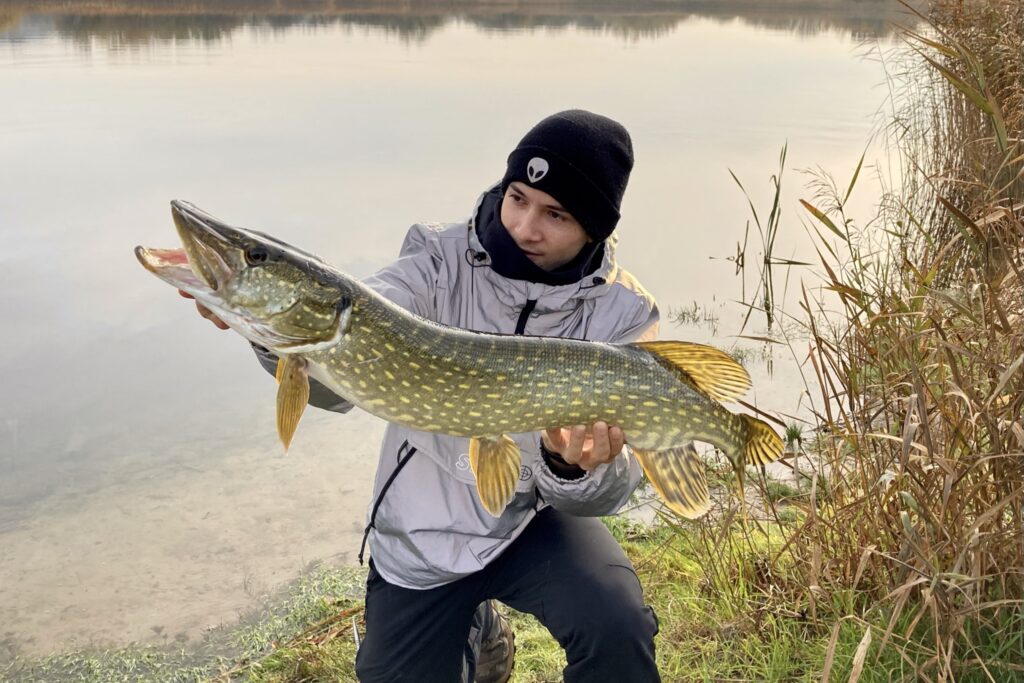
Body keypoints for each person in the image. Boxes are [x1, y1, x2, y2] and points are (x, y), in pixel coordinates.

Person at [184, 110, 661, 682]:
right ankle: (478, 630)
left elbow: (609, 491)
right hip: (423, 534)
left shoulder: (623, 311)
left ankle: (483, 621)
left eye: (555, 214)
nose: (524, 227)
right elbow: (344, 375)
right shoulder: (436, 260)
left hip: (530, 521)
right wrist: (273, 340)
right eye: (517, 198)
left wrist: (570, 464)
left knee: (617, 624)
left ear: (594, 228)